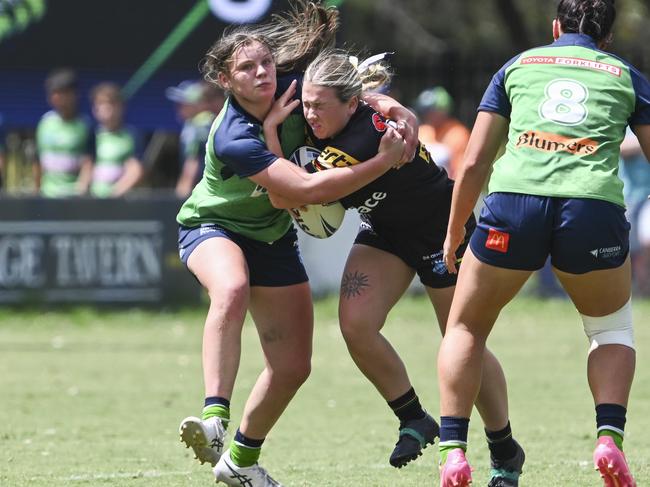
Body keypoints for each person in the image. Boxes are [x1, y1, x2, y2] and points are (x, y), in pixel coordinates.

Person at [175, 3, 417, 485]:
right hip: (213, 227)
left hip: (273, 237)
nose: (262, 72)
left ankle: (238, 463)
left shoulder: (293, 88)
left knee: (292, 367)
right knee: (231, 288)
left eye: (266, 62)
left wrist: (392, 107)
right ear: (225, 79)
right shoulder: (233, 137)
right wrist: (383, 162)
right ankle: (215, 417)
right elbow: (303, 191)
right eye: (247, 68)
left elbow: (352, 91)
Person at [262, 50, 522, 482]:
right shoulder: (358, 110)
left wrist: (271, 134)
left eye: (319, 106)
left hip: (440, 229)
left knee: (461, 341)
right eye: (306, 104)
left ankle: (504, 448)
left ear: (349, 104)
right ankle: (413, 418)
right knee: (355, 324)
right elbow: (376, 101)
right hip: (386, 230)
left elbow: (292, 195)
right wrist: (395, 107)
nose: (309, 115)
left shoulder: (360, 142)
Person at [438, 1, 650, 486]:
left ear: (555, 27)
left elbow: (472, 163)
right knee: (610, 331)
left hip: (514, 205)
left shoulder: (517, 66)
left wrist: (454, 232)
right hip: (590, 209)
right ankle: (608, 438)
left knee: (466, 328)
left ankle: (453, 452)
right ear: (608, 38)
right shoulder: (625, 74)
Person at [33, 68, 94, 197]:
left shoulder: (85, 125)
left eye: (62, 93)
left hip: (74, 199)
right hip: (47, 196)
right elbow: (38, 161)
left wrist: (80, 192)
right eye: (53, 93)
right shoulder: (44, 123)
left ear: (74, 94)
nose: (56, 97)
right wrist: (37, 191)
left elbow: (88, 163)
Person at [166, 80, 224, 198]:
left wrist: (181, 197)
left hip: (206, 194)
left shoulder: (198, 126)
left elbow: (192, 164)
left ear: (198, 104)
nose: (179, 108)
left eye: (183, 103)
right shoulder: (200, 123)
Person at [89, 82, 144, 197]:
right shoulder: (91, 134)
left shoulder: (131, 136)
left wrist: (114, 194)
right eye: (100, 103)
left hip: (119, 203)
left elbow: (135, 170)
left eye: (111, 103)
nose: (106, 108)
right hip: (92, 201)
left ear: (121, 107)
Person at [619, 128, 650, 295]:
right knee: (629, 249)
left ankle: (643, 288)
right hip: (630, 195)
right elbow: (620, 147)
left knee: (646, 242)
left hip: (647, 196)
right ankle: (632, 290)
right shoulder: (630, 120)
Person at [414, 86, 470, 179]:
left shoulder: (458, 134)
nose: (427, 115)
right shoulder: (422, 131)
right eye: (425, 111)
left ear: (443, 110)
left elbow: (460, 171)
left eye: (430, 111)